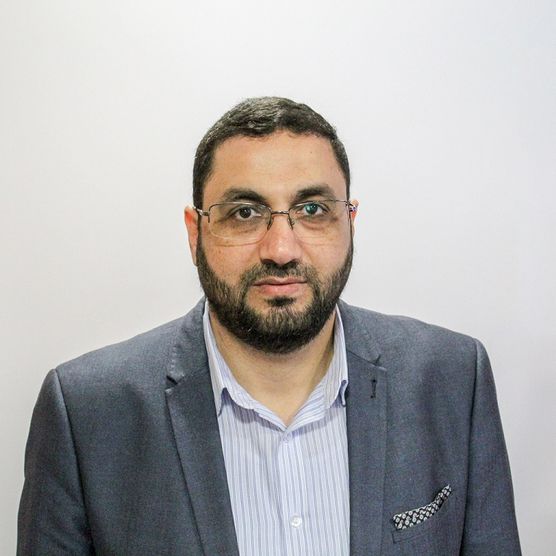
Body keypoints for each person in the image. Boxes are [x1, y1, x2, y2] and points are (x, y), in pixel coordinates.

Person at [18, 97, 521, 555]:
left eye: (312, 209)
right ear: (195, 233)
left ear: (350, 223)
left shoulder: (455, 379)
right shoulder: (85, 412)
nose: (280, 249)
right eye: (244, 212)